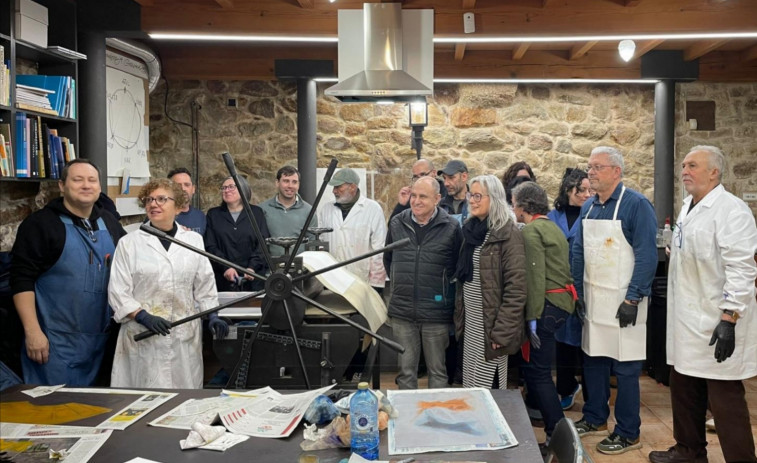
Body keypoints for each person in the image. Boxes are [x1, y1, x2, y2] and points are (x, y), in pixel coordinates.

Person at [649, 146, 757, 463]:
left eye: (693, 165)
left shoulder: (731, 211)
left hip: (716, 319)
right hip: (688, 322)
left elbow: (742, 268)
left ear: (714, 172)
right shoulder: (689, 207)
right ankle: (689, 450)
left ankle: (742, 459)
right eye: (683, 165)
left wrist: (729, 318)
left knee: (724, 398)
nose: (685, 170)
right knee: (683, 387)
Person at [571, 146, 658, 455]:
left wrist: (633, 298)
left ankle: (627, 431)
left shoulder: (636, 205)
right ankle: (595, 418)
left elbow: (647, 255)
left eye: (598, 167)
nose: (590, 172)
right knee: (593, 361)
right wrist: (577, 293)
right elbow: (578, 250)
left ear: (616, 172)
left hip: (625, 301)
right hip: (594, 300)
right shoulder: (589, 207)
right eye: (589, 166)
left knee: (625, 368)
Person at [11, 159, 126, 386]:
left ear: (99, 187)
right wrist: (33, 332)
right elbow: (21, 280)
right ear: (62, 186)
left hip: (100, 342)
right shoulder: (41, 224)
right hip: (53, 344)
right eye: (78, 179)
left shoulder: (109, 222)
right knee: (53, 412)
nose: (86, 185)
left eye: (92, 180)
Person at [109, 178, 226, 388]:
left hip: (184, 336)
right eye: (149, 200)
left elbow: (205, 285)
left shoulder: (193, 241)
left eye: (162, 199)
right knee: (142, 401)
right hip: (143, 336)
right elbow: (118, 291)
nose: (154, 204)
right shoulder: (129, 243)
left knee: (184, 399)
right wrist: (142, 316)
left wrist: (213, 316)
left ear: (178, 206)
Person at [512, 181, 576, 442]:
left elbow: (536, 278)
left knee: (538, 373)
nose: (512, 208)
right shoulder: (551, 226)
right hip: (561, 305)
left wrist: (531, 318)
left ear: (524, 206)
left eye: (514, 203)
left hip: (546, 306)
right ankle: (556, 429)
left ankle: (557, 432)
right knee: (539, 370)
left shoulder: (531, 231)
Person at [385, 176, 462, 389]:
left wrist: (442, 291)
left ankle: (437, 419)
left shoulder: (452, 227)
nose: (416, 201)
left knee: (437, 372)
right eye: (414, 195)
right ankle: (407, 419)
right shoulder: (397, 222)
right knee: (406, 372)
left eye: (423, 197)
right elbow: (388, 259)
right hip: (402, 310)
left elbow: (456, 265)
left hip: (436, 312)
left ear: (437, 198)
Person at [454, 175, 526, 389]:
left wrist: (502, 332)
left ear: (494, 198)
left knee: (489, 387)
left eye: (478, 196)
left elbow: (517, 288)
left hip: (492, 326)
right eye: (470, 195)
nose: (472, 201)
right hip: (473, 323)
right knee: (472, 384)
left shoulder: (507, 233)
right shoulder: (472, 230)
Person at [547, 168, 593, 410]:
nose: (586, 194)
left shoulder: (594, 214)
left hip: (586, 285)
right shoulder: (552, 217)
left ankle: (594, 394)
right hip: (558, 287)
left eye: (589, 190)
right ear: (568, 191)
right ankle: (566, 387)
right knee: (562, 341)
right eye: (580, 190)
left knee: (588, 342)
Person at [317, 168, 387, 291]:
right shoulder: (326, 209)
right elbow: (321, 243)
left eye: (338, 187)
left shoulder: (372, 209)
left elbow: (379, 249)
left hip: (361, 279)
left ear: (353, 187)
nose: (334, 191)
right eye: (334, 187)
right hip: (332, 280)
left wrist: (376, 285)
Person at [205, 176, 270, 292]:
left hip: (254, 280)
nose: (226, 190)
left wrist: (252, 267)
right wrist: (226, 267)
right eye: (224, 188)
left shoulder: (256, 213)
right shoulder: (213, 215)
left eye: (231, 187)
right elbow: (210, 246)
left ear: (243, 189)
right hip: (223, 280)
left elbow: (263, 243)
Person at [259, 165, 316, 256]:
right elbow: (257, 242)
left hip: (301, 267)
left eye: (294, 182)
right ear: (277, 183)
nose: (290, 186)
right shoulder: (262, 209)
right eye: (286, 181)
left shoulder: (309, 210)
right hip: (271, 267)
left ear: (298, 185)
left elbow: (312, 242)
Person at [168, 167, 206, 235]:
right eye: (178, 185)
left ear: (193, 189)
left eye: (187, 185)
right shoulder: (161, 215)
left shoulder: (200, 216)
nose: (183, 188)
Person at [438, 160, 470, 225]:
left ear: (464, 177)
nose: (446, 183)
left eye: (451, 178)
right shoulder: (440, 206)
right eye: (444, 178)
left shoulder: (475, 204)